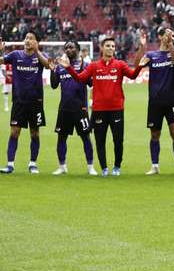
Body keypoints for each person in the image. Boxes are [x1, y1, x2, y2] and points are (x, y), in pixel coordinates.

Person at [60, 35, 146, 176]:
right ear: (102, 48)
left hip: (117, 109)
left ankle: (117, 167)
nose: (110, 48)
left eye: (112, 46)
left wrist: (141, 64)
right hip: (99, 110)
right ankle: (104, 168)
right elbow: (81, 79)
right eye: (108, 46)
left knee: (118, 140)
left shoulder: (120, 64)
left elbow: (132, 76)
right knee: (100, 140)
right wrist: (69, 68)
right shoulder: (94, 66)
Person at [0, 32, 52, 174]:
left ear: (37, 42)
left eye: (31, 38)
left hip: (36, 102)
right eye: (26, 38)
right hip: (19, 102)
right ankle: (10, 164)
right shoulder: (15, 55)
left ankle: (32, 163)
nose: (27, 40)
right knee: (14, 132)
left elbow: (49, 66)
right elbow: (1, 60)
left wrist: (37, 51)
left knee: (34, 133)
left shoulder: (41, 56)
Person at [143, 27, 174, 176]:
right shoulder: (151, 55)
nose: (170, 37)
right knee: (154, 135)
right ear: (160, 36)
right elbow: (137, 66)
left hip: (172, 101)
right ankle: (155, 166)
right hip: (155, 102)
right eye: (168, 34)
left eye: (172, 35)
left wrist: (171, 46)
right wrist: (142, 47)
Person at [50, 41, 96, 176]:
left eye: (71, 47)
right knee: (61, 137)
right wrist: (53, 70)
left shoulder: (84, 65)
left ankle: (90, 167)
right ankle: (62, 166)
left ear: (78, 50)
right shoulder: (60, 67)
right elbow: (53, 85)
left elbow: (91, 83)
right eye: (66, 48)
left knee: (85, 137)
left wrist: (83, 70)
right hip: (64, 108)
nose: (68, 50)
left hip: (80, 108)